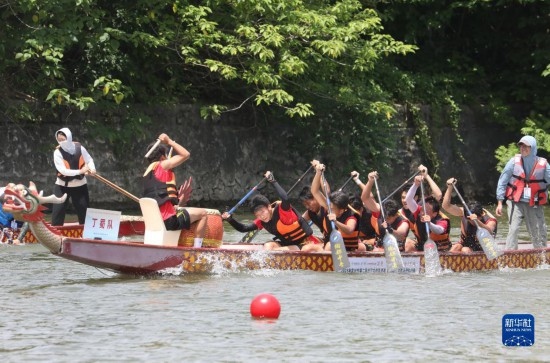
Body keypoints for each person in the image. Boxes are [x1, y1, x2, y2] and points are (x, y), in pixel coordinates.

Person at [222, 171, 318, 251]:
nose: (262, 216)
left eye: (262, 212)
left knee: (275, 251)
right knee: (268, 246)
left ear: (269, 207)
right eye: (258, 215)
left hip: (305, 244)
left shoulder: (282, 211)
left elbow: (285, 198)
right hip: (287, 245)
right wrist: (230, 219)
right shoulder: (261, 221)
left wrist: (272, 181)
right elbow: (243, 228)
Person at [143, 133, 208, 247]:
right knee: (203, 213)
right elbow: (185, 154)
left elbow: (161, 200)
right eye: (167, 156)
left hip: (154, 221)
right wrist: (169, 141)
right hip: (168, 221)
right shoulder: (162, 165)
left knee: (183, 211)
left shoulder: (147, 173)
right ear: (163, 157)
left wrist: (179, 202)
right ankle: (197, 250)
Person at [495, 135, 550, 250]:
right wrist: (500, 202)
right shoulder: (513, 162)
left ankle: (542, 255)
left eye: (526, 146)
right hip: (516, 201)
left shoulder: (544, 164)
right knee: (513, 229)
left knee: (537, 231)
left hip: (534, 202)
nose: (523, 148)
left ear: (533, 148)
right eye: (521, 145)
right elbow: (502, 181)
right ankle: (510, 254)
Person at [310, 163, 362, 252]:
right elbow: (314, 191)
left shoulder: (351, 216)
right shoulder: (329, 206)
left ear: (342, 210)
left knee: (330, 245)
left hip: (347, 250)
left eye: (333, 209)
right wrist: (318, 172)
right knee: (307, 248)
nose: (329, 209)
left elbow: (349, 230)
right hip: (331, 246)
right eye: (330, 207)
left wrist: (335, 221)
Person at [51, 128, 96, 226]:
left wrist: (92, 169)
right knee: (57, 213)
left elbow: (89, 160)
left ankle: (86, 233)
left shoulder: (80, 148)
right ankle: (56, 234)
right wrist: (80, 171)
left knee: (84, 212)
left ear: (69, 137)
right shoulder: (57, 152)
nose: (62, 143)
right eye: (60, 140)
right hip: (62, 186)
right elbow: (63, 171)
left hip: (80, 185)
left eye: (64, 140)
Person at [442, 178, 497, 253]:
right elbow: (446, 206)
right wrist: (449, 187)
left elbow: (489, 231)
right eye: (469, 219)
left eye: (472, 220)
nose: (471, 221)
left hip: (484, 249)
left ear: (481, 214)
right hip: (466, 244)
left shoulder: (490, 220)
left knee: (465, 250)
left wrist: (477, 221)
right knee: (455, 247)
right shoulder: (464, 212)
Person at [361, 171, 410, 251]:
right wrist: (370, 182)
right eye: (385, 218)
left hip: (395, 251)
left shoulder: (403, 221)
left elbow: (401, 234)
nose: (385, 220)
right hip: (379, 248)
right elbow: (365, 198)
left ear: (396, 215)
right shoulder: (380, 210)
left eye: (388, 218)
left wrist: (391, 230)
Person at [403, 174, 451, 252]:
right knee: (407, 243)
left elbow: (439, 230)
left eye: (427, 211)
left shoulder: (442, 220)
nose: (422, 213)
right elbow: (408, 199)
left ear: (434, 214)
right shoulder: (419, 211)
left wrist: (429, 223)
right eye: (422, 209)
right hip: (422, 248)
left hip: (440, 250)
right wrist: (415, 185)